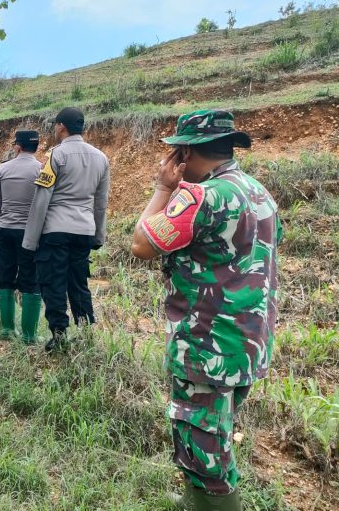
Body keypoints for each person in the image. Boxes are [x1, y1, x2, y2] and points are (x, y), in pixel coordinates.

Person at [131, 110, 281, 511]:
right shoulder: (258, 193)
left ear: (186, 153)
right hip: (247, 345)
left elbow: (142, 244)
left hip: (206, 348)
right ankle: (191, 502)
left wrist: (164, 188)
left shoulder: (200, 196)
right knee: (210, 438)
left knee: (206, 455)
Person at [22, 107, 110, 353]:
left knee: (52, 282)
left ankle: (59, 334)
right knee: (78, 282)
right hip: (84, 229)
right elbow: (101, 203)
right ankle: (85, 332)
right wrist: (98, 235)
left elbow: (42, 198)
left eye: (55, 127)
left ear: (61, 127)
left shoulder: (56, 156)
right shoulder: (101, 158)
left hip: (56, 230)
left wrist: (30, 240)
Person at [0, 130, 43, 343]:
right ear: (35, 147)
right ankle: (29, 336)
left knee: (6, 279)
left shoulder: (3, 168)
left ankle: (7, 329)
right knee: (31, 280)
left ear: (17, 147)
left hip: (5, 230)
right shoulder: (42, 169)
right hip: (31, 233)